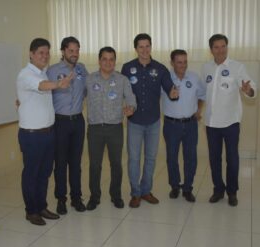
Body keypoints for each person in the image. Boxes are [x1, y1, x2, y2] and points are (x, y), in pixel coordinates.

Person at [17, 38, 73, 225]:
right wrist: (58, 84)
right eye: (41, 52)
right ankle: (31, 210)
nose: (45, 56)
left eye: (47, 52)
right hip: (32, 135)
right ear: (31, 54)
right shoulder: (26, 74)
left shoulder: (43, 73)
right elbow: (41, 87)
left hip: (48, 133)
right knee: (32, 173)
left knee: (44, 173)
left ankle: (41, 206)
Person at [121, 33, 179, 208]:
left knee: (151, 158)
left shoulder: (160, 68)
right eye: (141, 47)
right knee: (133, 158)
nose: (145, 50)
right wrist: (124, 106)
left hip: (153, 121)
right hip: (135, 122)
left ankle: (146, 191)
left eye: (147, 46)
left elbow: (169, 88)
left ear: (151, 47)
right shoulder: (127, 67)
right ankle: (135, 193)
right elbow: (123, 92)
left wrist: (173, 93)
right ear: (136, 49)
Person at [201, 34, 257, 207]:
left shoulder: (237, 67)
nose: (220, 50)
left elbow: (252, 88)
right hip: (211, 123)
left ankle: (232, 192)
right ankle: (218, 189)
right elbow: (202, 93)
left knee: (232, 158)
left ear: (227, 47)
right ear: (211, 50)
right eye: (216, 47)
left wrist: (248, 91)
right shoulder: (206, 68)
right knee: (214, 158)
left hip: (231, 122)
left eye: (223, 46)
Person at [86, 46, 136, 210]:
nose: (108, 62)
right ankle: (94, 197)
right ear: (99, 61)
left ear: (115, 61)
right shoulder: (89, 79)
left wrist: (131, 108)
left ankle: (116, 195)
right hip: (95, 128)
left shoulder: (122, 80)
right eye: (104, 59)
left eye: (111, 59)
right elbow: (75, 96)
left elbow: (131, 99)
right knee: (95, 165)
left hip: (115, 128)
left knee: (116, 164)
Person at [46, 36, 88, 214]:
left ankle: (76, 198)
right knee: (61, 163)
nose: (75, 54)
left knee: (76, 163)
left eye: (77, 50)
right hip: (60, 122)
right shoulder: (52, 70)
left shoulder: (82, 69)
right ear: (63, 51)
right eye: (71, 50)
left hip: (78, 121)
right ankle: (61, 199)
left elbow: (87, 91)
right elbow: (43, 92)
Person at [162, 49, 205, 202]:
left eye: (185, 62)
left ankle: (187, 188)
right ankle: (175, 186)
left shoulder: (194, 77)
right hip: (171, 125)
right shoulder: (165, 78)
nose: (183, 65)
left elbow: (201, 96)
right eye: (179, 62)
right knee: (172, 157)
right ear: (172, 63)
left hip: (191, 125)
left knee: (191, 157)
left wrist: (198, 110)